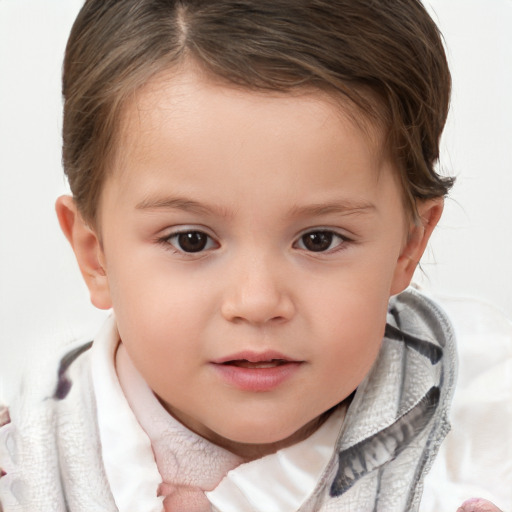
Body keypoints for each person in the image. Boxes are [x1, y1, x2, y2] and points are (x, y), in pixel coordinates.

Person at [0, 1, 504, 511]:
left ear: (408, 245)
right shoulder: (20, 479)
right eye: (191, 240)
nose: (258, 302)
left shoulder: (488, 448)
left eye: (319, 239)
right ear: (95, 254)